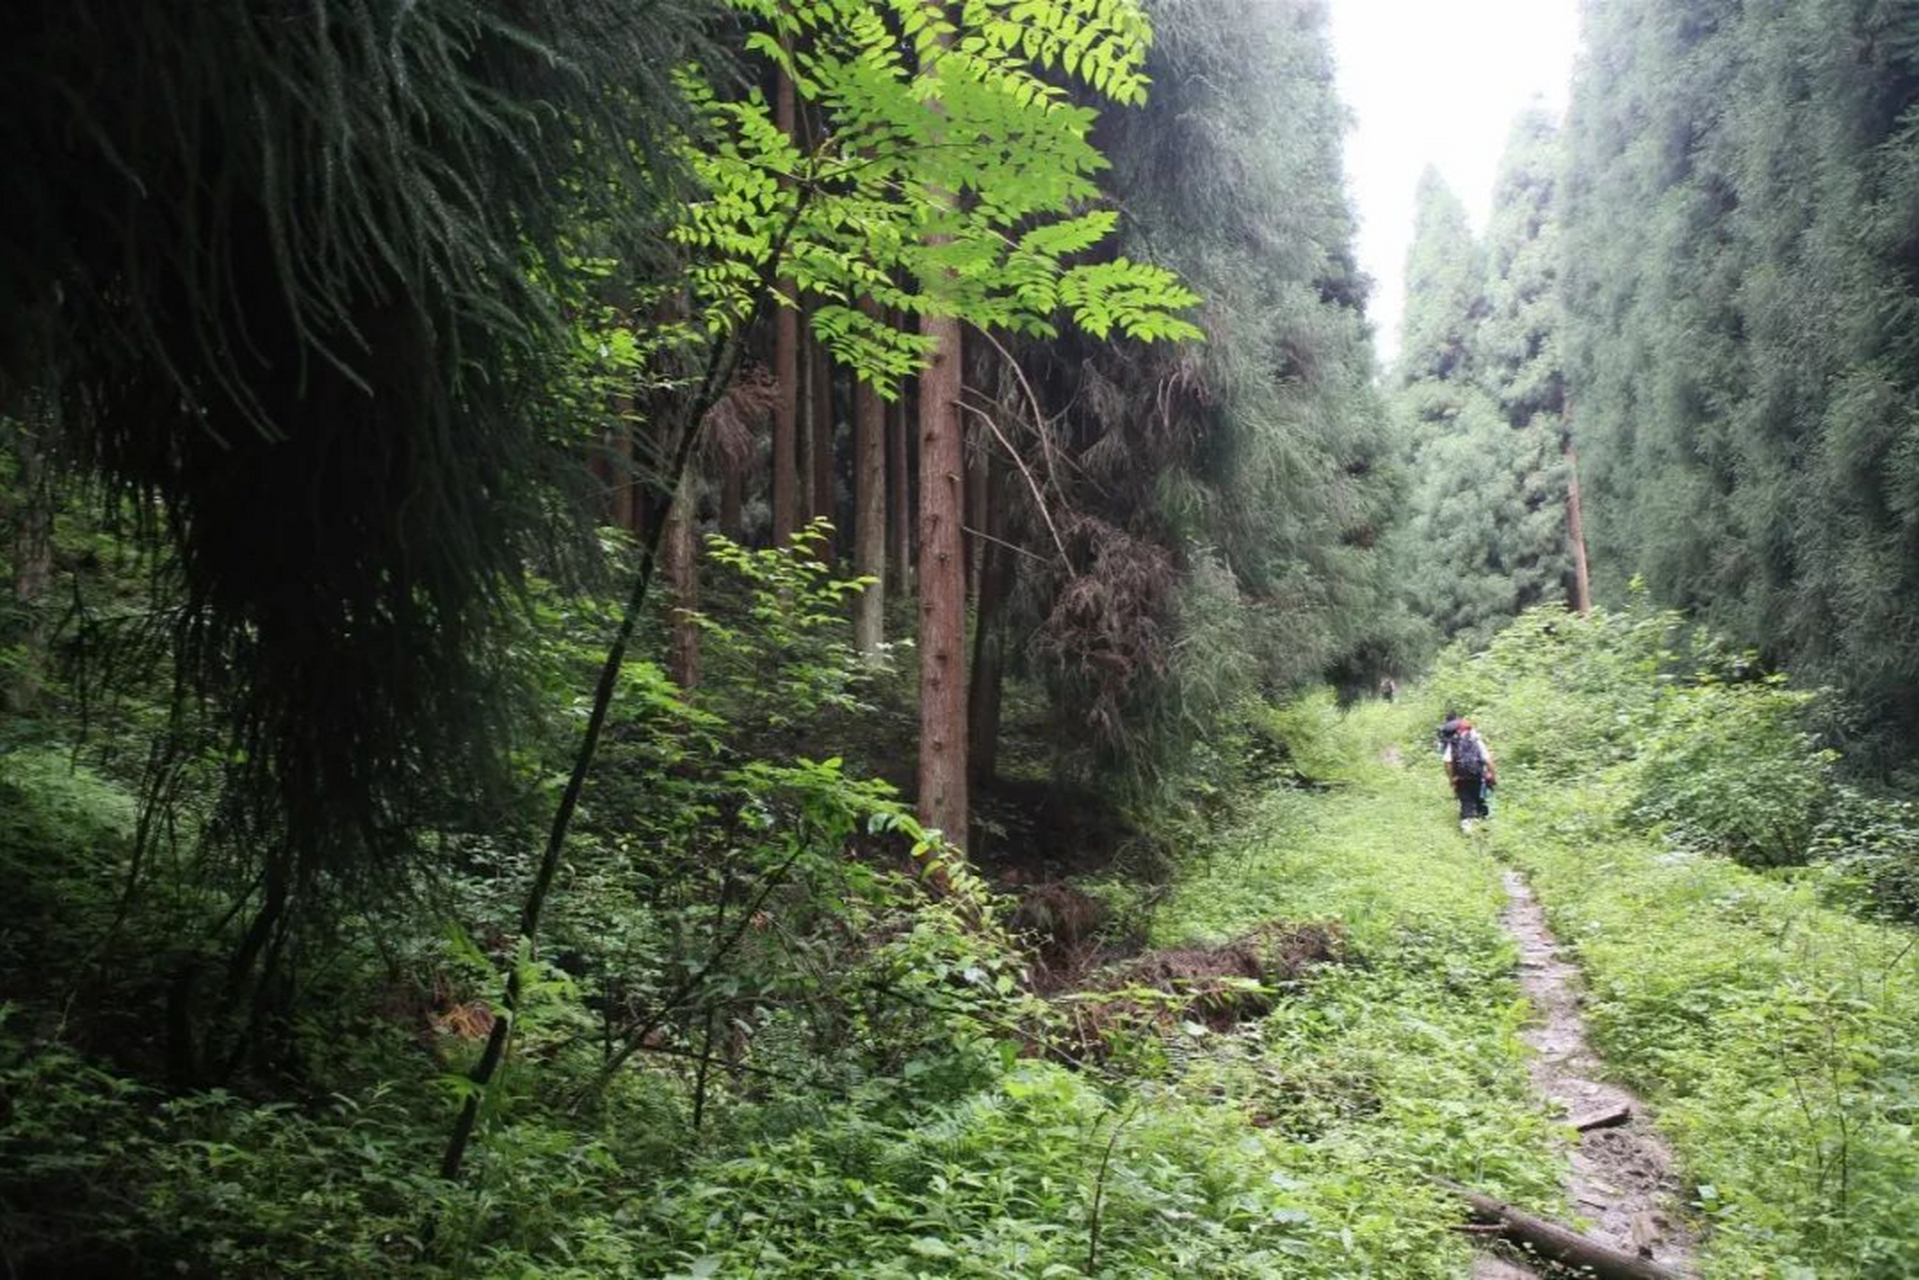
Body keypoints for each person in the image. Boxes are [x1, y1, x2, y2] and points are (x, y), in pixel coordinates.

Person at [1443, 717, 1496, 833]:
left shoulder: (1453, 743)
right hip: (1477, 776)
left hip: (1461, 778)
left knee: (1466, 801)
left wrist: (1451, 778)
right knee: (1480, 799)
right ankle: (1485, 825)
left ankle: (1468, 827)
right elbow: (1488, 760)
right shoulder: (1476, 740)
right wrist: (1492, 775)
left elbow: (1447, 762)